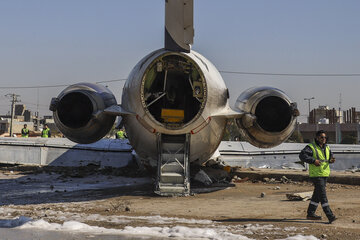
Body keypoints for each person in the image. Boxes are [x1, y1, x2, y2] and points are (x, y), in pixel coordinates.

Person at [299, 130, 337, 223]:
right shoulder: (311, 147)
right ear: (317, 138)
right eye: (321, 137)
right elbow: (302, 155)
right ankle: (330, 215)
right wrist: (313, 161)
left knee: (317, 195)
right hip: (316, 175)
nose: (324, 139)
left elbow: (330, 156)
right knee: (323, 196)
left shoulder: (327, 147)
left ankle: (310, 214)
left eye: (325, 137)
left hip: (324, 174)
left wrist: (331, 159)